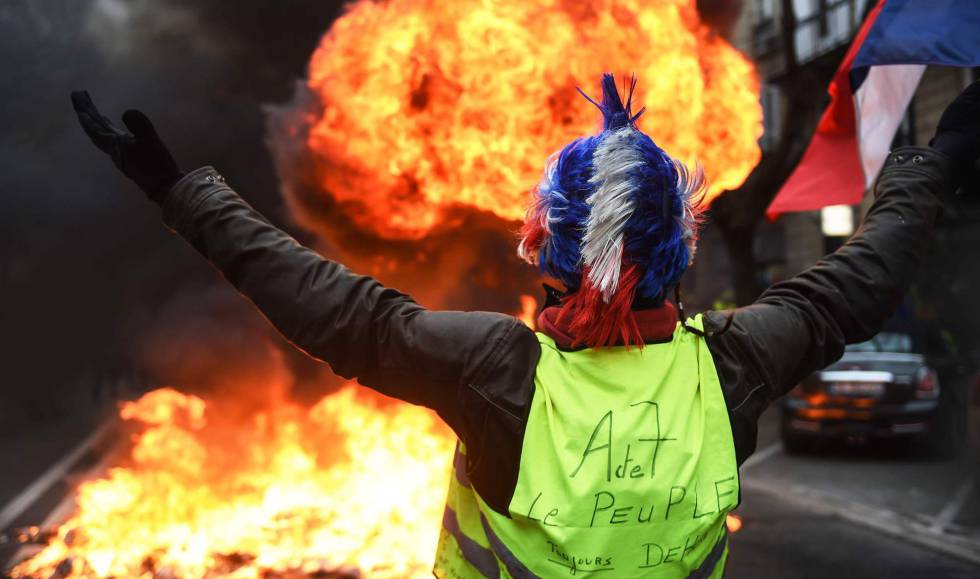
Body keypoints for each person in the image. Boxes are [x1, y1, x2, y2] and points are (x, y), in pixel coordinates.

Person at [71, 74, 978, 578]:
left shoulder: (500, 372)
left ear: (546, 247)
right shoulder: (734, 366)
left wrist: (180, 193)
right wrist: (928, 170)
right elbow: (857, 285)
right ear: (682, 247)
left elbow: (336, 311)